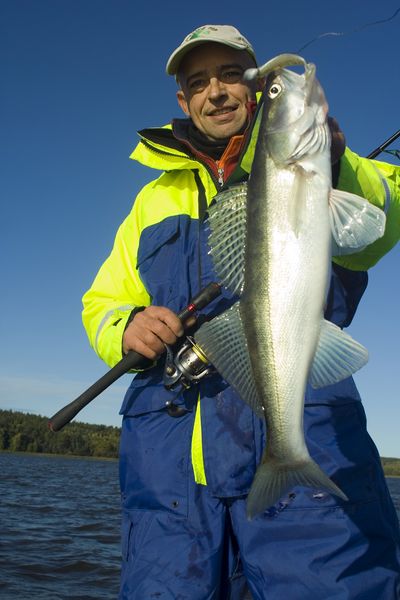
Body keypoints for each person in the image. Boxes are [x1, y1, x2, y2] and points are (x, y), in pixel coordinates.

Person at [82, 25, 400, 599]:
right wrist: (124, 325)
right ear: (184, 100)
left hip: (312, 443)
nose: (217, 92)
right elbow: (102, 299)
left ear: (254, 88)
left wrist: (338, 161)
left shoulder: (324, 160)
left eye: (231, 74)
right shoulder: (150, 200)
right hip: (172, 470)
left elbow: (382, 223)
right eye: (198, 81)